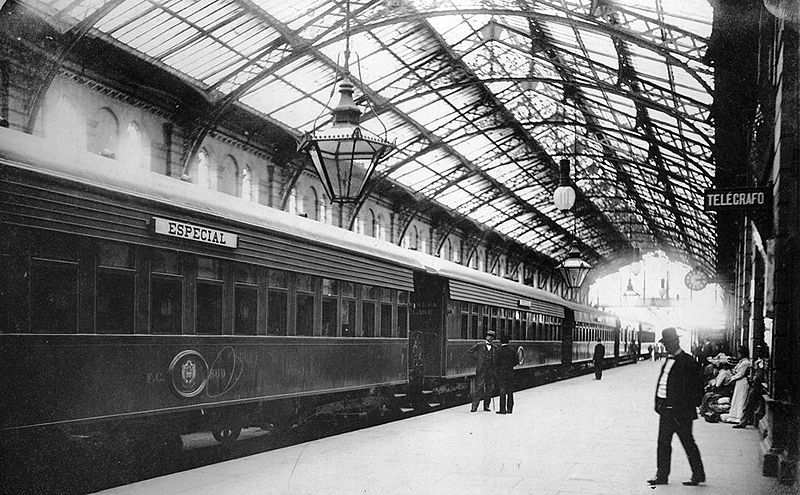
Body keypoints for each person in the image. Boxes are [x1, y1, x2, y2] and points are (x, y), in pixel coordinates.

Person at [648, 327, 705, 487]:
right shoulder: (669, 359)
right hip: (666, 411)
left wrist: (685, 407)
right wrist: (659, 404)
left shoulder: (688, 362)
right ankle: (662, 475)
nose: (665, 346)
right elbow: (663, 384)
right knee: (663, 443)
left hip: (681, 413)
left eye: (666, 343)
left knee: (688, 442)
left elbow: (698, 388)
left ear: (674, 342)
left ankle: (698, 474)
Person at [733, 342, 768, 429]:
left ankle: (744, 422)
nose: (757, 352)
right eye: (757, 350)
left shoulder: (762, 362)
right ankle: (746, 421)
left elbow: (760, 375)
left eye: (759, 350)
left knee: (749, 404)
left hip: (757, 385)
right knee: (751, 404)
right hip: (757, 384)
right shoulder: (759, 361)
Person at [466, 330, 496, 412]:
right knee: (478, 388)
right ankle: (474, 407)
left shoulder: (495, 348)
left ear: (493, 338)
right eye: (488, 336)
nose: (490, 337)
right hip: (481, 370)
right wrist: (478, 358)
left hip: (490, 370)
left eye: (491, 336)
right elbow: (470, 352)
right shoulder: (480, 345)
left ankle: (486, 406)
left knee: (489, 388)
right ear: (486, 337)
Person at [721, 345, 751, 424]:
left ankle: (739, 416)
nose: (738, 355)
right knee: (736, 397)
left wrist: (732, 378)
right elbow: (735, 371)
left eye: (739, 353)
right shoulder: (741, 362)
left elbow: (740, 374)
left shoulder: (746, 362)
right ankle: (734, 415)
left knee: (741, 397)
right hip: (738, 382)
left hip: (742, 382)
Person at [493, 334, 518, 414]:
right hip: (510, 373)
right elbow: (516, 362)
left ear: (501, 342)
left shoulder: (498, 350)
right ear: (508, 341)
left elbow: (495, 362)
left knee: (502, 391)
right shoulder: (512, 350)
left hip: (501, 373)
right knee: (510, 391)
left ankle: (502, 409)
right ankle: (510, 409)